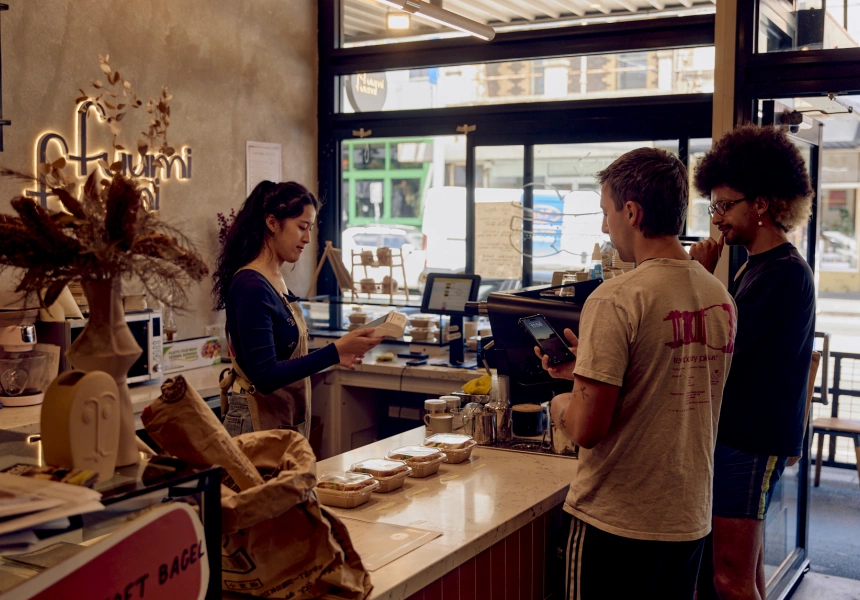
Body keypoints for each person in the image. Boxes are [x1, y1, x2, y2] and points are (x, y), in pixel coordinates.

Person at [535, 148, 737, 600]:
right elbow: (666, 382)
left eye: (607, 212)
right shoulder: (719, 295)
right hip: (687, 519)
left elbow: (587, 429)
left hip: (617, 520)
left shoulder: (616, 297)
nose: (605, 227)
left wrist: (561, 403)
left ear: (632, 211)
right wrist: (584, 372)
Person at [690, 125, 815, 600]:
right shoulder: (754, 265)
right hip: (742, 438)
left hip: (750, 441)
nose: (717, 218)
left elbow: (720, 346)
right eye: (714, 206)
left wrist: (697, 278)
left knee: (730, 577)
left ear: (760, 203)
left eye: (724, 205)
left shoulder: (781, 273)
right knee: (748, 574)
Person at [212, 181, 382, 438]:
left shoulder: (274, 279)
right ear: (272, 223)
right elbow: (266, 375)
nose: (307, 239)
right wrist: (334, 351)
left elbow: (284, 356)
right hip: (253, 427)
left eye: (310, 228)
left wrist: (337, 356)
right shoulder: (251, 285)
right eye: (302, 227)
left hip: (280, 423)